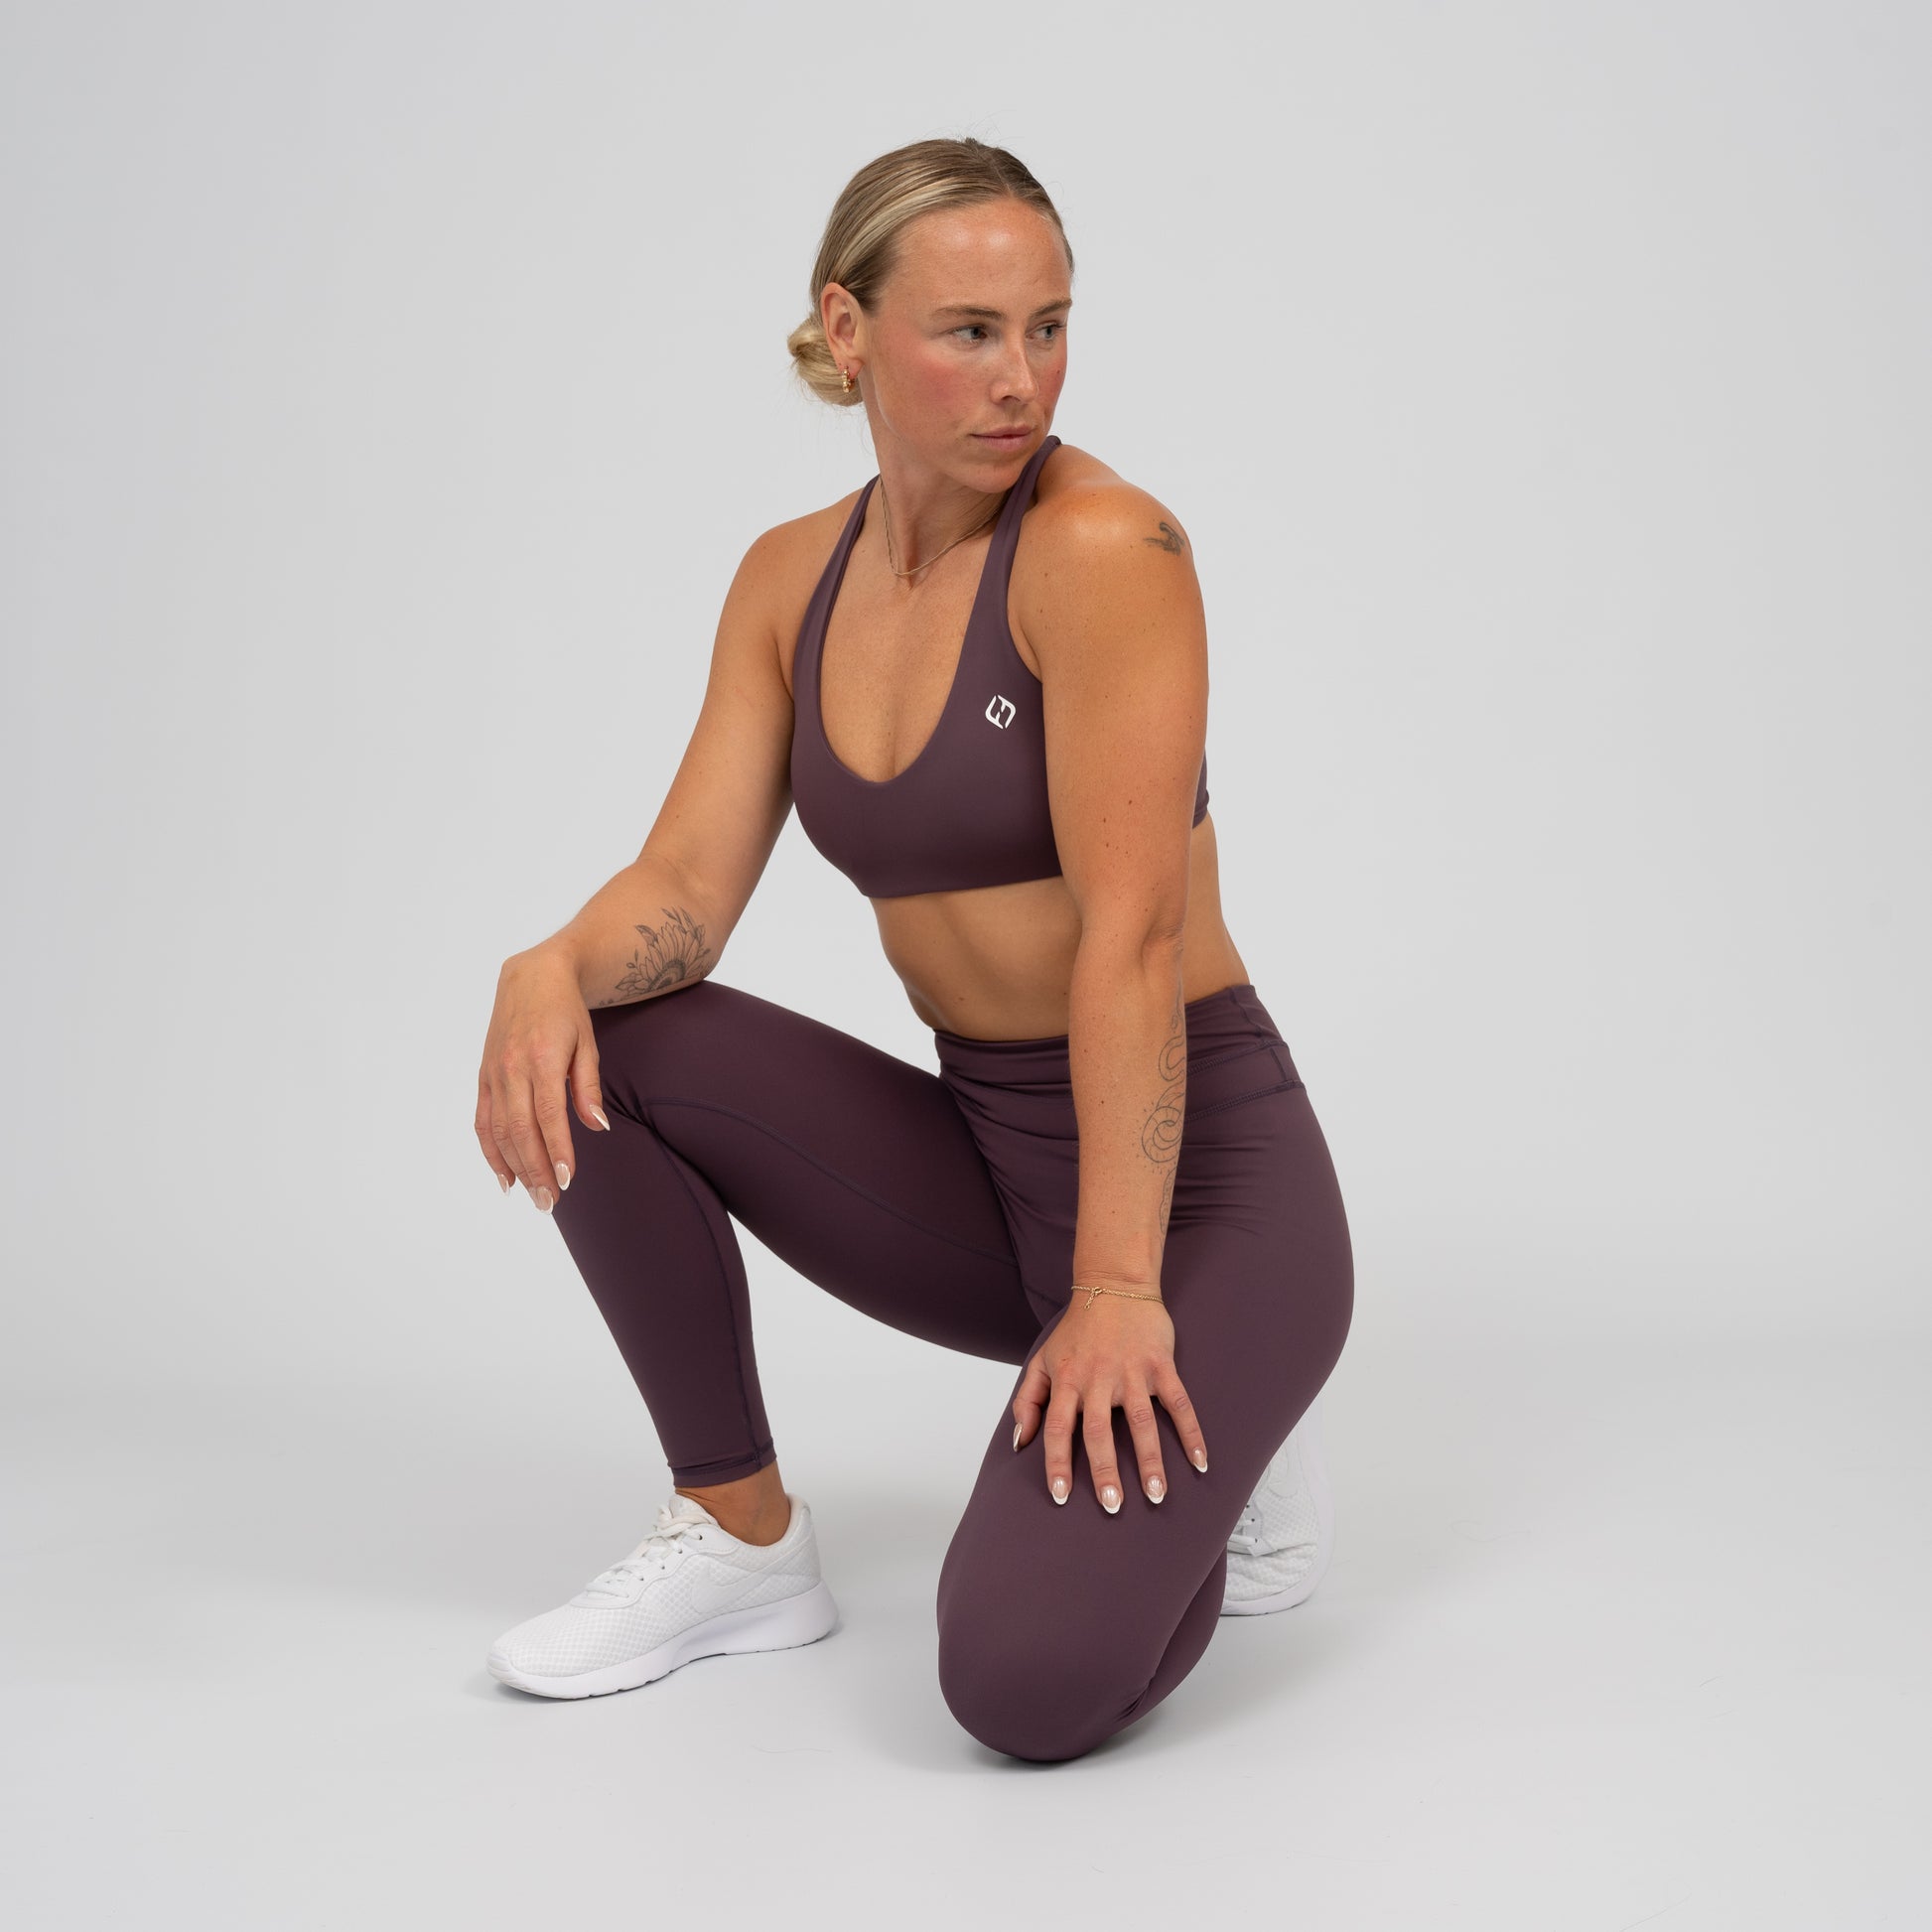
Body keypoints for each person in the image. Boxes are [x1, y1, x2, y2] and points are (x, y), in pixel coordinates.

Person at [473, 136, 1354, 1762]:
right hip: (987, 1166)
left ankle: (1238, 1395)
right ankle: (737, 1534)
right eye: (969, 330)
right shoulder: (786, 579)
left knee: (1021, 1683)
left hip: (1194, 1184)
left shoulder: (1106, 551)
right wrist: (545, 964)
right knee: (603, 1037)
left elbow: (1133, 936)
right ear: (848, 327)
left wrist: (1118, 1289)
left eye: (1049, 326)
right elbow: (684, 890)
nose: (1021, 378)